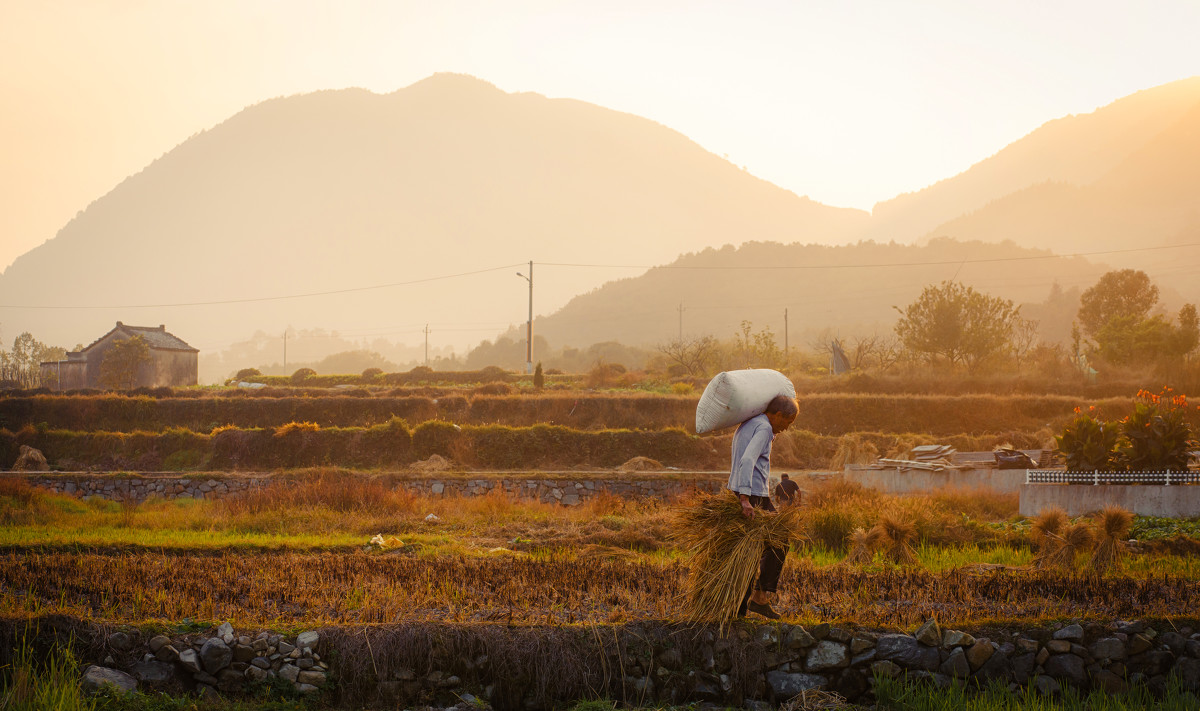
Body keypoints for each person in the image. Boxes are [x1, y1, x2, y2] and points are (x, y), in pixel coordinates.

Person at [727, 393, 799, 619]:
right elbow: (748, 460)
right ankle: (758, 599)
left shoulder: (749, 423)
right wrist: (746, 499)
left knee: (748, 550)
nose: (786, 428)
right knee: (779, 539)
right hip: (754, 496)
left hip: (743, 491)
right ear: (777, 415)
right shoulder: (764, 428)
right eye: (787, 422)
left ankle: (742, 607)